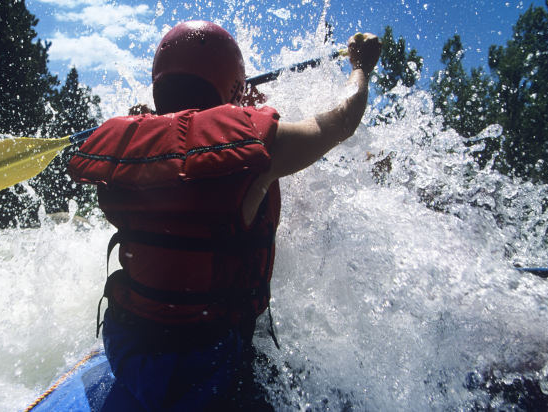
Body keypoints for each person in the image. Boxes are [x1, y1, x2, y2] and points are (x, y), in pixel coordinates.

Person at [68, 20, 381, 411]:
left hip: (127, 346)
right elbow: (338, 121)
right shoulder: (257, 150)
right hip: (207, 363)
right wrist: (360, 68)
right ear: (234, 82)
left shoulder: (131, 140)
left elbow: (179, 143)